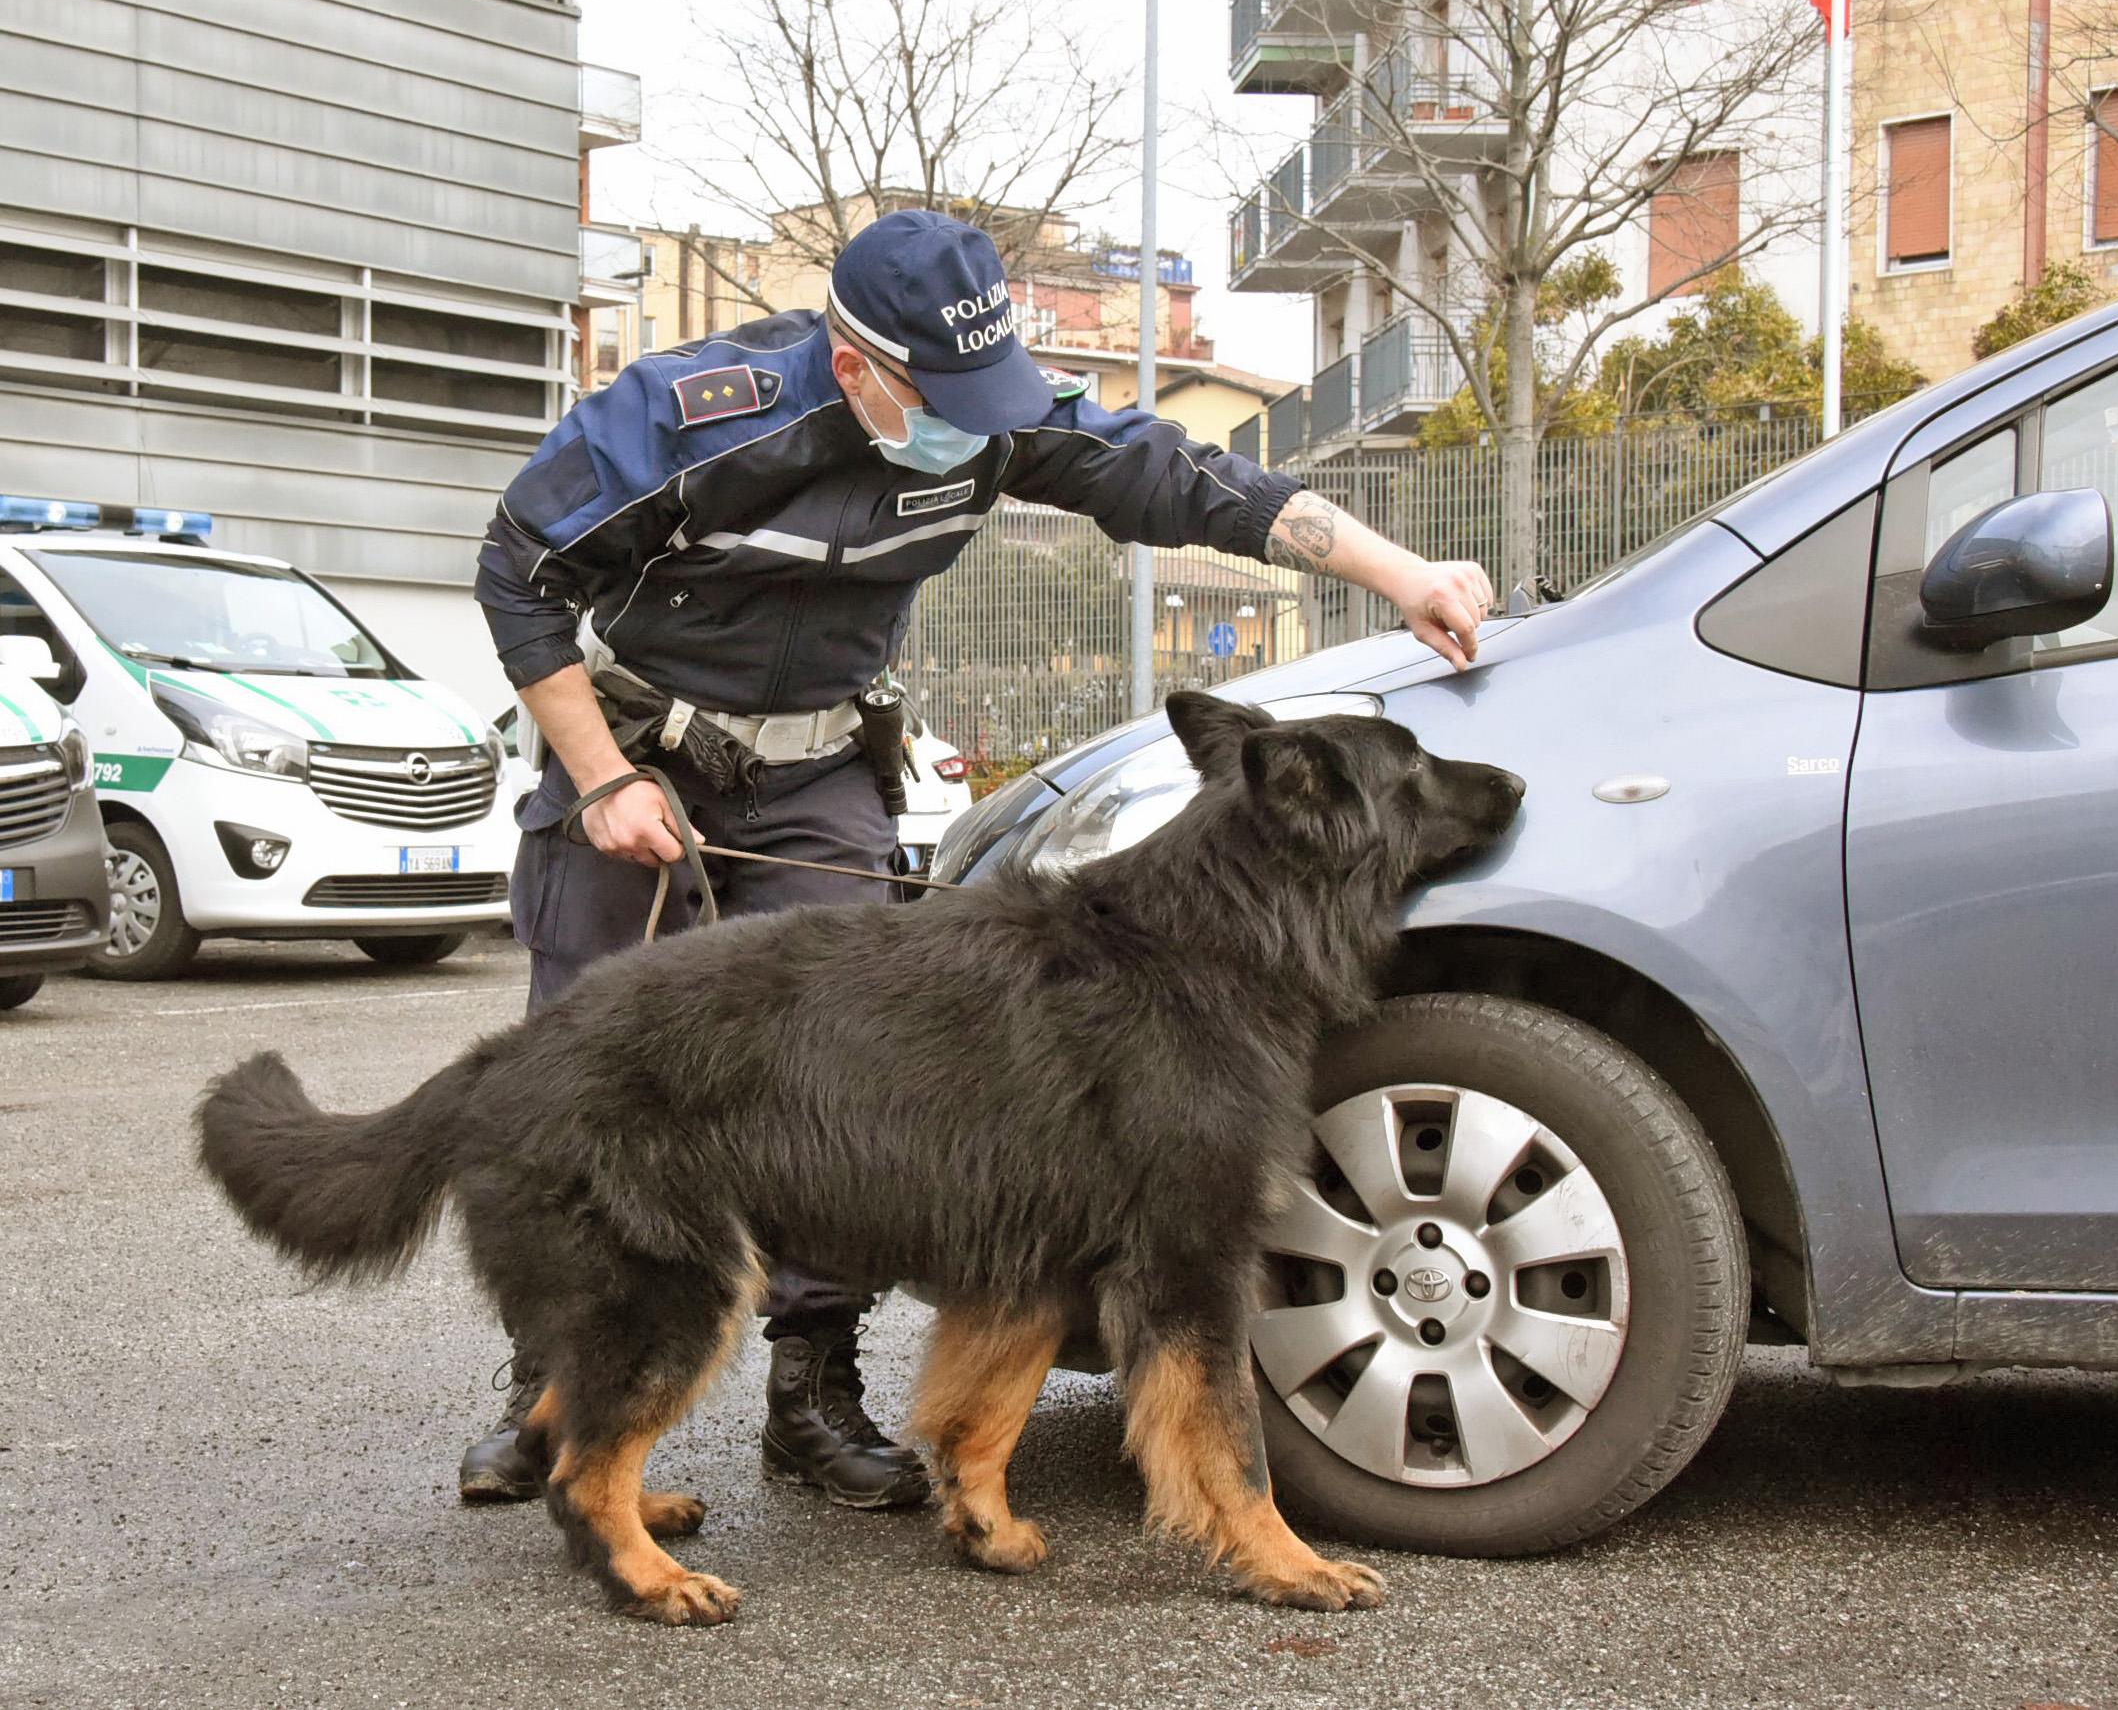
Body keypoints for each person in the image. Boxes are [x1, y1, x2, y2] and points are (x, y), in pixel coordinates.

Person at [460, 208, 1497, 1510]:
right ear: (856, 369)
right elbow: (520, 573)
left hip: (817, 766)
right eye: (946, 398)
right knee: (589, 1080)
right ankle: (550, 1397)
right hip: (630, 761)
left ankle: (813, 1392)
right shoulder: (696, 418)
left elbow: (1192, 480)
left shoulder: (992, 415)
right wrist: (601, 779)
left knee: (853, 1078)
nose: (981, 422)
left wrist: (1402, 574)